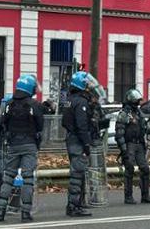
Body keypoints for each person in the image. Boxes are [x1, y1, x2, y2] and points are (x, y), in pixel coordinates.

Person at [0, 75, 44, 223]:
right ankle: (25, 213)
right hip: (29, 144)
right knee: (27, 179)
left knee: (8, 177)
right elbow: (40, 125)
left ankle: (0, 212)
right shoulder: (34, 104)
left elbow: (2, 122)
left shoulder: (9, 104)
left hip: (13, 144)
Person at [62, 71, 99, 217]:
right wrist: (87, 144)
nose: (88, 88)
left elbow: (65, 122)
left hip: (71, 138)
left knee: (77, 172)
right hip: (78, 141)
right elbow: (82, 125)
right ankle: (73, 206)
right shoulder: (81, 102)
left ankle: (77, 203)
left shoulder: (69, 100)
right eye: (86, 85)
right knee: (77, 175)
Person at [115, 89, 150, 204]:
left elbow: (145, 125)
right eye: (136, 101)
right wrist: (123, 150)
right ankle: (128, 196)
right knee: (129, 169)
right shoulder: (124, 114)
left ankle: (145, 195)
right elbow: (119, 134)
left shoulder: (138, 113)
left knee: (145, 168)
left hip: (139, 144)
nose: (138, 103)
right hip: (129, 144)